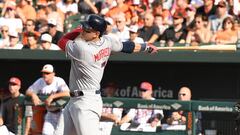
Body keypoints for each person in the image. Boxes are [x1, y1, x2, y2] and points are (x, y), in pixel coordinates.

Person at [56, 14, 157, 135]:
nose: (82, 31)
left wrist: (77, 30)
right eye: (83, 27)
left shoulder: (82, 49)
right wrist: (146, 47)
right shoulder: (107, 42)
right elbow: (127, 47)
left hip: (87, 102)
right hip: (74, 100)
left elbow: (62, 41)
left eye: (86, 29)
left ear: (96, 34)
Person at [26, 64, 70, 135]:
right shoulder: (40, 81)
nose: (45, 75)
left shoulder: (58, 80)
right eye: (44, 73)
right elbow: (28, 91)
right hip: (50, 113)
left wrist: (52, 96)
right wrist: (33, 95)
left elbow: (67, 93)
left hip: (62, 113)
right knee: (45, 133)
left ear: (53, 74)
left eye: (47, 73)